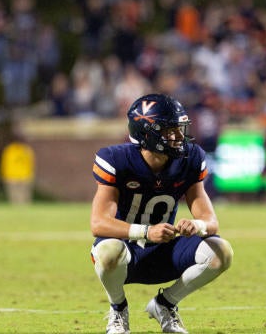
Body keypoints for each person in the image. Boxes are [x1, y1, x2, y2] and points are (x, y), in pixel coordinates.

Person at [89, 93, 233, 334]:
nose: (178, 136)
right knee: (107, 251)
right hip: (126, 252)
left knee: (222, 252)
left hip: (166, 249)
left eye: (179, 128)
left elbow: (210, 221)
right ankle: (118, 308)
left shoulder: (190, 157)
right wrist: (146, 231)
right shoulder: (116, 159)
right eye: (170, 130)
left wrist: (195, 226)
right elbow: (99, 223)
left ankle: (165, 305)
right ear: (147, 133)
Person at [0, 134, 35, 204]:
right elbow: (5, 163)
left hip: (24, 175)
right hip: (11, 176)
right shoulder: (9, 150)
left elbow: (31, 163)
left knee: (25, 195)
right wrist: (3, 174)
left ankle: (25, 209)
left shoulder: (26, 150)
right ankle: (15, 209)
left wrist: (31, 174)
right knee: (13, 195)